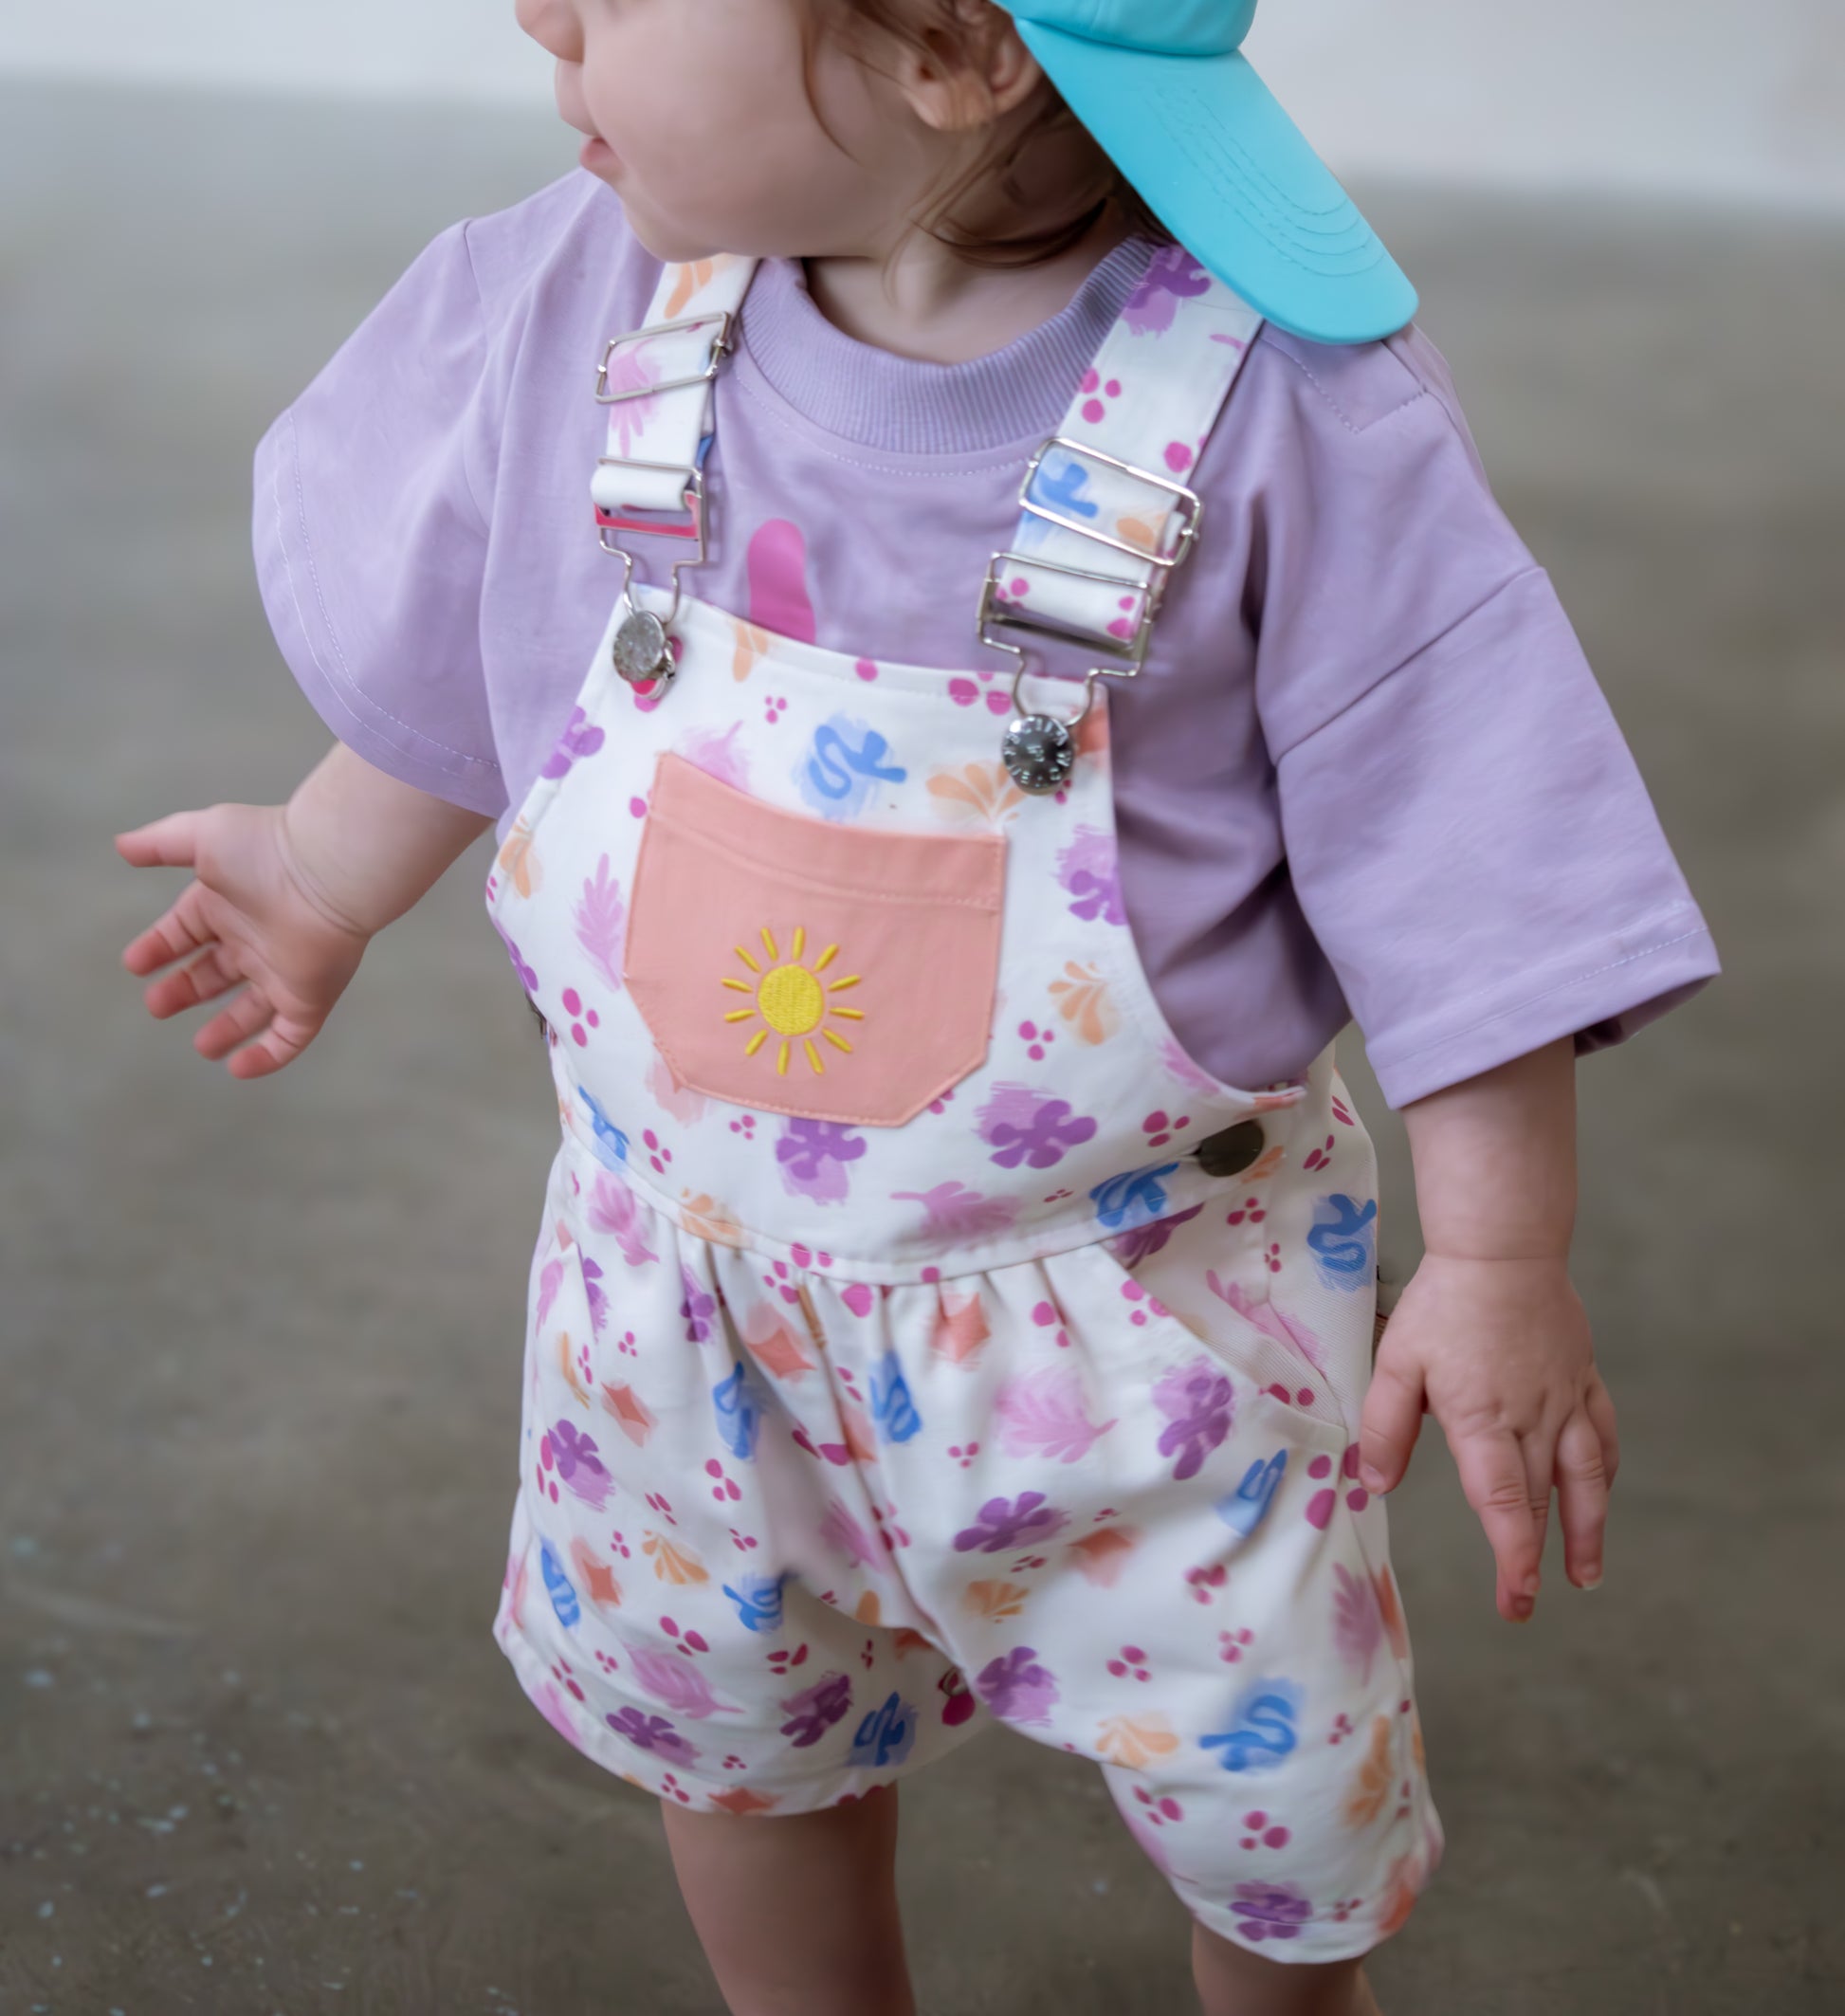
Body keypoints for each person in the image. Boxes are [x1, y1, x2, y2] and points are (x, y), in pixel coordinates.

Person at [115, 4, 1720, 2010]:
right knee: (741, 1746)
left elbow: (1464, 853)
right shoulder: (597, 307)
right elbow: (500, 633)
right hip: (686, 1304)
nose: (543, 13)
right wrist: (323, 862)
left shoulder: (1280, 414)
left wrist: (1496, 1250)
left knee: (1268, 1806)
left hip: (1139, 1323)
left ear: (952, 51)